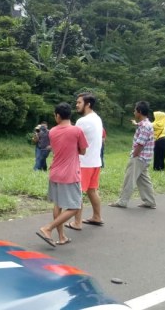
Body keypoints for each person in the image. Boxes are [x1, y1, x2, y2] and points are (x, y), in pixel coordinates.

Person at [36, 103, 87, 247]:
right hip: (70, 174)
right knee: (75, 207)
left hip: (55, 172)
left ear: (58, 115)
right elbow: (83, 151)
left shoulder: (52, 131)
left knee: (58, 204)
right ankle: (48, 228)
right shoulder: (77, 131)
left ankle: (62, 237)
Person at [66, 93, 104, 231]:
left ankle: (77, 222)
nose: (76, 105)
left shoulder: (83, 121)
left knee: (77, 193)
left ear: (88, 104)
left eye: (79, 102)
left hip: (84, 163)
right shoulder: (97, 118)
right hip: (95, 161)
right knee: (92, 190)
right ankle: (97, 216)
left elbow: (73, 139)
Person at [109, 101, 157, 209]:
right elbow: (140, 126)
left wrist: (134, 156)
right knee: (144, 180)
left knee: (129, 178)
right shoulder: (146, 124)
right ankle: (150, 201)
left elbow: (140, 144)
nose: (134, 112)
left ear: (139, 112)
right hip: (146, 158)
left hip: (139, 157)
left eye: (135, 110)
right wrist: (135, 123)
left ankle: (122, 201)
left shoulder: (145, 126)